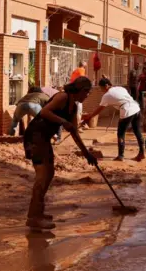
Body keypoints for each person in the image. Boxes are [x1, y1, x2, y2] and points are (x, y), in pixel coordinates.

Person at [24, 77, 96, 230]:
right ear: (81, 90)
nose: (88, 95)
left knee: (49, 174)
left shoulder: (74, 107)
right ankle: (34, 218)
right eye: (87, 92)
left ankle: (38, 212)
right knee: (42, 176)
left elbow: (75, 133)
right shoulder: (63, 97)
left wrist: (87, 154)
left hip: (44, 138)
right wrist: (63, 122)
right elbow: (44, 111)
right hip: (35, 136)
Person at [82, 78, 145, 162]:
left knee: (120, 134)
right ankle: (142, 152)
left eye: (101, 88)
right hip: (136, 108)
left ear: (107, 86)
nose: (101, 90)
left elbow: (100, 109)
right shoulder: (120, 88)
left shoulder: (107, 95)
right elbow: (124, 97)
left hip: (127, 110)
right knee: (137, 131)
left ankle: (120, 156)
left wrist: (90, 116)